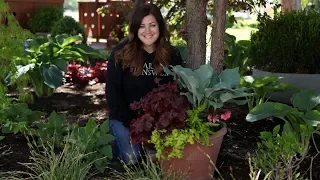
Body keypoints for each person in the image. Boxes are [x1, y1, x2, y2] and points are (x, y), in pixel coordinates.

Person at [106, 3, 183, 164]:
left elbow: (178, 92)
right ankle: (116, 142)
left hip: (158, 122)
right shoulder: (120, 54)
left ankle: (147, 150)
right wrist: (134, 126)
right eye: (142, 26)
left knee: (164, 157)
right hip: (125, 119)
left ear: (160, 27)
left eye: (152, 25)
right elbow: (113, 95)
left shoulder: (172, 55)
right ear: (134, 29)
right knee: (132, 159)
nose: (148, 31)